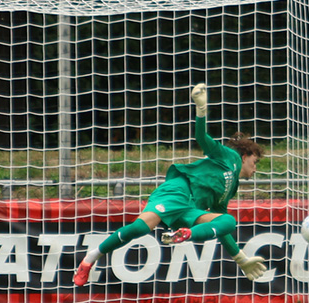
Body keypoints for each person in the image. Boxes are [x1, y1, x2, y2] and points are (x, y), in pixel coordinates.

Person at [73, 84, 267, 287]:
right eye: (255, 162)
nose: (254, 170)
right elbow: (202, 138)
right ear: (245, 156)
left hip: (191, 210)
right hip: (178, 190)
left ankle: (186, 234)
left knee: (227, 222)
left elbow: (220, 228)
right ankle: (90, 259)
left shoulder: (230, 187)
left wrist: (241, 259)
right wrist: (201, 112)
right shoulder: (230, 157)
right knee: (140, 227)